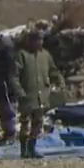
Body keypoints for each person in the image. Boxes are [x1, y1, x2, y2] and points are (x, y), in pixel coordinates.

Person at [9, 29, 63, 159]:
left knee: (38, 123)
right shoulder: (22, 55)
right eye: (37, 40)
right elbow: (14, 76)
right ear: (30, 41)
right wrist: (19, 91)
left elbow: (53, 70)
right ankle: (24, 150)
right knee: (25, 123)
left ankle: (32, 149)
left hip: (42, 96)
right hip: (27, 96)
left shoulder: (45, 55)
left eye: (41, 40)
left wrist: (59, 81)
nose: (40, 42)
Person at [0, 33, 19, 145]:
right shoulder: (9, 56)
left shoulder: (7, 57)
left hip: (6, 88)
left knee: (7, 112)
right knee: (5, 112)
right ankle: (8, 133)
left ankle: (10, 134)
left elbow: (4, 73)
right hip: (6, 87)